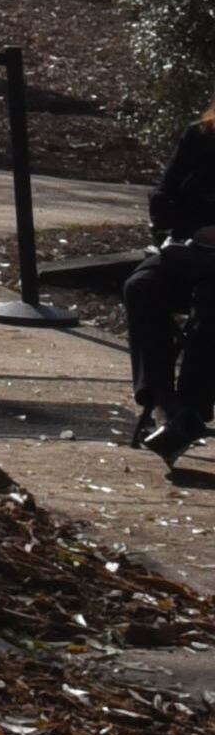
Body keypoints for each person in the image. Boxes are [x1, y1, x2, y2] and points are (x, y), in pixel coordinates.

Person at [124, 99, 215, 465]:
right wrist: (194, 230)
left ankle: (190, 410)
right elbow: (163, 199)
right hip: (191, 250)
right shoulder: (201, 136)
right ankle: (164, 403)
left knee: (212, 303)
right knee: (141, 286)